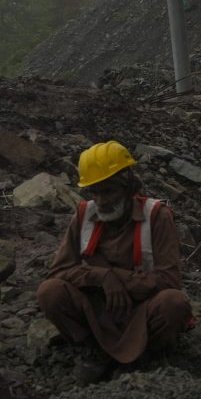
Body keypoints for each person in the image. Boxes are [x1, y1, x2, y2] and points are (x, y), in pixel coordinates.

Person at [37, 141, 191, 385]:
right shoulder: (83, 215)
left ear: (128, 187)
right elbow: (59, 272)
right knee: (50, 292)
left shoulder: (157, 216)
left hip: (142, 309)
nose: (100, 200)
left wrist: (121, 281)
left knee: (173, 303)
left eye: (108, 191)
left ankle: (145, 355)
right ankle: (93, 349)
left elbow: (169, 280)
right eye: (94, 192)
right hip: (96, 310)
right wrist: (102, 278)